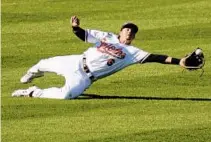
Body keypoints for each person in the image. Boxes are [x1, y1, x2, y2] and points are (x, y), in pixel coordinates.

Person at [12, 16, 187, 99]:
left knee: (65, 95)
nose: (129, 32)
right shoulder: (107, 36)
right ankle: (32, 73)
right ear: (120, 31)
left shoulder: (133, 53)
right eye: (127, 29)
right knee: (43, 64)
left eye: (132, 32)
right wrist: (75, 28)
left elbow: (156, 57)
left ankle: (32, 92)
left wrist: (179, 61)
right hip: (76, 61)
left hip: (85, 78)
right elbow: (84, 35)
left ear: (133, 37)